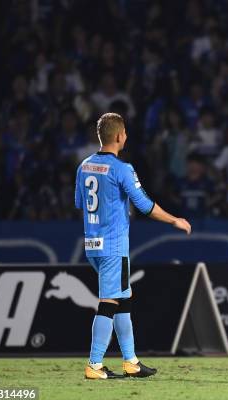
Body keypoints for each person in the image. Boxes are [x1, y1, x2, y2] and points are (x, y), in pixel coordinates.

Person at [75, 113, 191, 379]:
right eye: (125, 133)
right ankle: (94, 365)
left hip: (93, 244)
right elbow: (145, 205)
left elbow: (81, 204)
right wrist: (174, 220)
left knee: (123, 300)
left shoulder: (84, 166)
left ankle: (131, 361)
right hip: (114, 246)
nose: (125, 137)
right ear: (119, 136)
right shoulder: (122, 169)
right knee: (109, 302)